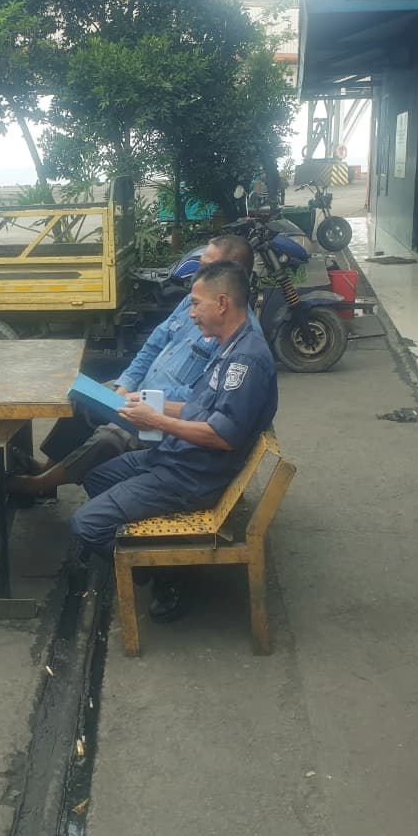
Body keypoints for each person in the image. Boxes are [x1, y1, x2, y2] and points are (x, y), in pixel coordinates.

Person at [68, 261, 277, 621]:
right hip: (176, 457)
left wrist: (155, 420)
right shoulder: (229, 345)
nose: (191, 313)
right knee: (96, 477)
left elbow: (222, 435)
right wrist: (151, 403)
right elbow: (201, 408)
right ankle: (148, 552)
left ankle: (168, 572)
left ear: (222, 303)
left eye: (196, 304)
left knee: (85, 524)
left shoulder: (245, 360)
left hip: (193, 476)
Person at [8, 234, 256, 495]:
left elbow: (201, 400)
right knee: (84, 398)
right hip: (139, 395)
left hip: (165, 415)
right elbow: (153, 345)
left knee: (110, 438)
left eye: (207, 268)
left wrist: (145, 401)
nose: (198, 275)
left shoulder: (234, 336)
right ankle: (47, 469)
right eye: (199, 265)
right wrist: (126, 385)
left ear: (232, 276)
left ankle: (40, 485)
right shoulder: (193, 301)